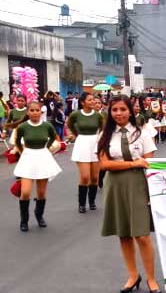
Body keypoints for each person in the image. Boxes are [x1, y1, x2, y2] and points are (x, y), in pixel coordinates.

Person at [97, 95, 161, 293]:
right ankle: (133, 275)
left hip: (138, 185)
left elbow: (150, 163)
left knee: (142, 235)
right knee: (123, 233)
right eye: (114, 110)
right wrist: (134, 163)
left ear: (130, 111)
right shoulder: (105, 135)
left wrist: (152, 189)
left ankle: (151, 277)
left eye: (122, 109)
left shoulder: (142, 133)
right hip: (115, 186)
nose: (118, 113)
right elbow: (105, 165)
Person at [13, 101, 62, 231]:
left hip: (42, 157)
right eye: (32, 110)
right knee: (25, 192)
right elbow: (17, 142)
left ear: (41, 112)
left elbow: (53, 138)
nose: (35, 113)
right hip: (28, 157)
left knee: (41, 193)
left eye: (37, 110)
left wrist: (46, 148)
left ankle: (39, 215)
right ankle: (24, 220)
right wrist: (23, 152)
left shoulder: (47, 126)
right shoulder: (23, 127)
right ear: (28, 112)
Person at [67, 92, 104, 213]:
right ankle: (81, 204)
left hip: (95, 144)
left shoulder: (98, 116)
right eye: (90, 100)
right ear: (83, 102)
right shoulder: (76, 114)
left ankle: (92, 201)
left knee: (94, 178)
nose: (93, 102)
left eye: (93, 100)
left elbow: (103, 129)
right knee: (85, 177)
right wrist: (75, 134)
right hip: (82, 144)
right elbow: (69, 124)